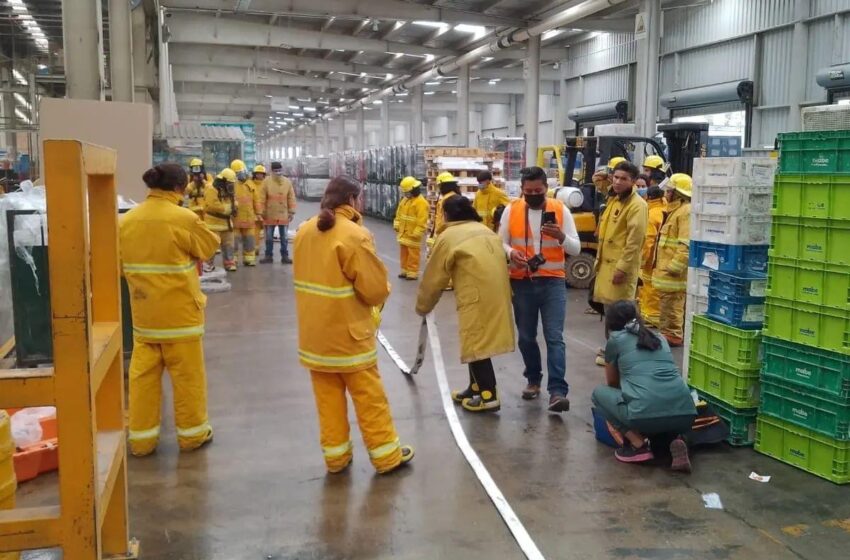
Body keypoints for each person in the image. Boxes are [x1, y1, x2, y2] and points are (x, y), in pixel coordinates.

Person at [293, 175, 414, 474]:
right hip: (349, 337)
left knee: (328, 402)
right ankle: (386, 458)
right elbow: (373, 290)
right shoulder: (354, 235)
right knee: (369, 399)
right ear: (351, 199)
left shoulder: (305, 231)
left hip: (314, 337)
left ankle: (336, 459)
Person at [119, 163, 221, 456]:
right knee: (188, 379)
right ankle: (192, 436)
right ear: (180, 187)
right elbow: (208, 248)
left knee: (142, 381)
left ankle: (141, 441)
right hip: (181, 318)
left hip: (144, 317)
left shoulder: (126, 221)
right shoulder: (184, 219)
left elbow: (119, 266)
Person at [416, 196, 515, 413]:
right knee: (477, 341)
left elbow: (434, 276)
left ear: (447, 214)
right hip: (499, 294)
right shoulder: (485, 230)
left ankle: (489, 396)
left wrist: (423, 305)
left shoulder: (449, 236)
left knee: (476, 343)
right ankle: (474, 388)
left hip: (475, 296)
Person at [499, 166, 581, 412]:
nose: (533, 194)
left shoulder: (560, 209)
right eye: (528, 191)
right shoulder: (511, 210)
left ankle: (557, 392)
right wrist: (511, 252)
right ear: (522, 190)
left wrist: (561, 237)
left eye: (538, 191)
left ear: (546, 188)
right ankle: (533, 379)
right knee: (526, 337)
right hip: (522, 281)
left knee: (554, 337)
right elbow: (500, 241)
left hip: (552, 282)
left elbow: (575, 249)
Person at [591, 301, 696, 471]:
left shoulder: (616, 340)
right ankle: (677, 439)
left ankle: (638, 445)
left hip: (643, 415)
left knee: (599, 394)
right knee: (663, 400)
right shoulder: (660, 337)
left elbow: (612, 383)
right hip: (687, 413)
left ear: (611, 322)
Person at [592, 161, 648, 365]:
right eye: (615, 177)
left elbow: (635, 242)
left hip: (619, 269)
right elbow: (596, 179)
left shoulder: (637, 206)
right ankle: (613, 349)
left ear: (633, 182)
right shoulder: (615, 199)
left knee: (621, 314)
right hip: (607, 266)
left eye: (623, 179)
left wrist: (622, 268)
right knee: (610, 311)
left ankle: (621, 354)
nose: (617, 182)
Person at [652, 174, 692, 347]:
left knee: (673, 304)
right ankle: (667, 332)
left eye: (669, 190)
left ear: (678, 193)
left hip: (673, 275)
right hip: (666, 273)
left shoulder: (685, 211)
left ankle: (674, 334)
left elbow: (686, 244)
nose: (666, 193)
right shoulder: (674, 211)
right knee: (667, 305)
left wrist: (674, 268)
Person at [638, 186, 666, 328]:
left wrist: (642, 260)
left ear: (648, 197)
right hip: (662, 257)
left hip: (651, 259)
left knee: (649, 288)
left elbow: (648, 239)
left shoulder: (651, 214)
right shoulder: (665, 210)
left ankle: (651, 316)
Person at [259, 161, 297, 264]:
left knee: (284, 238)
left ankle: (285, 256)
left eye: (280, 170)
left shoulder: (287, 182)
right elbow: (261, 198)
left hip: (283, 214)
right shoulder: (266, 182)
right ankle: (268, 256)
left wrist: (291, 212)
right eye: (276, 171)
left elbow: (291, 197)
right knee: (269, 238)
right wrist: (261, 212)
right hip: (269, 214)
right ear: (272, 171)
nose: (278, 172)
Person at [393, 176, 429, 280]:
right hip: (404, 233)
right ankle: (404, 270)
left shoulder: (421, 203)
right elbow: (399, 214)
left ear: (414, 190)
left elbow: (422, 220)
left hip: (413, 234)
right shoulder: (405, 200)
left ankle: (412, 272)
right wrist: (396, 224)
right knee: (404, 253)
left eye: (407, 192)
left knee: (413, 255)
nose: (406, 194)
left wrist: (417, 232)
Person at [204, 168, 238, 272]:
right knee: (212, 245)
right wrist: (226, 209)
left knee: (229, 244)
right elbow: (212, 204)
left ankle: (229, 263)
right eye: (229, 183)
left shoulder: (228, 190)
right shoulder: (211, 189)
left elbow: (233, 201)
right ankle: (207, 264)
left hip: (226, 223)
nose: (231, 185)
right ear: (223, 181)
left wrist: (235, 206)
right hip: (213, 224)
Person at [230, 159, 261, 267]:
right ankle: (232, 260)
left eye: (243, 172)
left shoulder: (250, 184)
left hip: (249, 218)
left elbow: (256, 200)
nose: (242, 174)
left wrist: (259, 213)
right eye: (239, 173)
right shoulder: (231, 185)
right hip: (235, 219)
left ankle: (249, 259)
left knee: (249, 240)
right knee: (233, 241)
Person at [427, 172, 461, 250]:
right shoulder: (454, 197)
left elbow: (442, 222)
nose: (439, 188)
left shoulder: (447, 201)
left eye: (439, 186)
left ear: (444, 186)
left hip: (446, 238)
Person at [248, 164, 267, 252]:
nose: (259, 175)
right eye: (258, 173)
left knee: (266, 232)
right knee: (255, 231)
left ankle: (267, 249)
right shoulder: (250, 184)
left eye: (261, 174)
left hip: (265, 212)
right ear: (254, 174)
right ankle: (255, 247)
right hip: (254, 211)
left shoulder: (266, 184)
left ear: (264, 175)